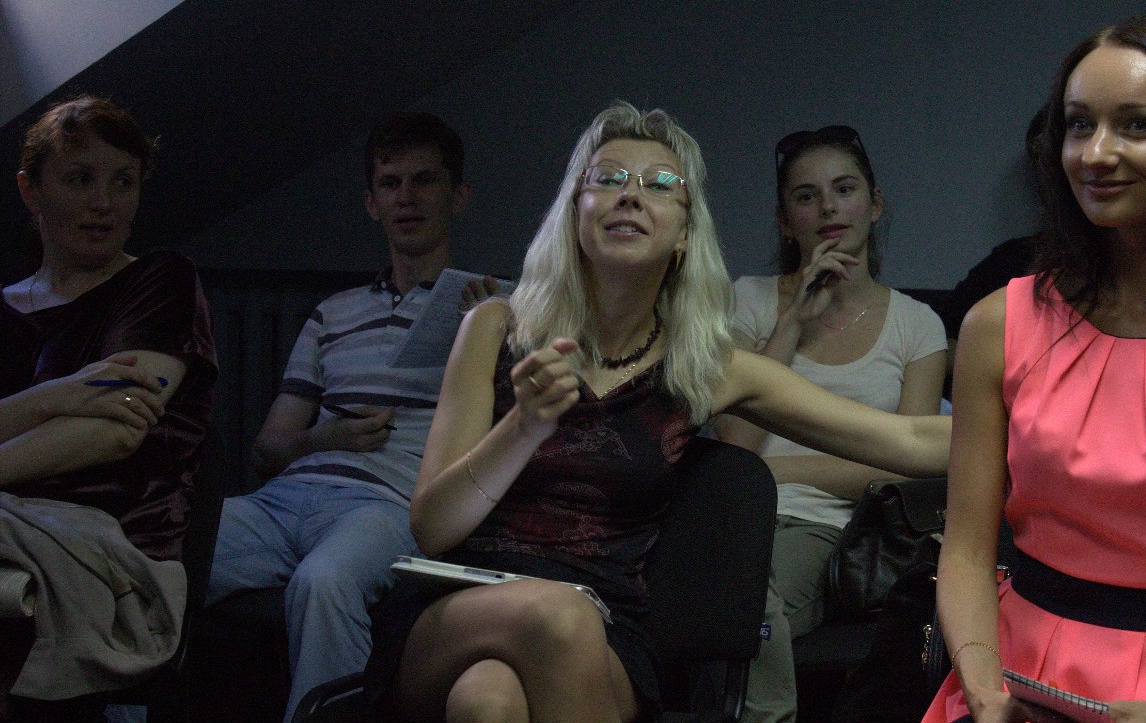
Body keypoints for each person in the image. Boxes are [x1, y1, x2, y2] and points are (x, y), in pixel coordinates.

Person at [363, 102, 950, 722]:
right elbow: (432, 527)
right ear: (575, 212)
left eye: (660, 185)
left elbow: (909, 438)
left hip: (607, 624)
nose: (631, 195)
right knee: (554, 617)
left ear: (685, 234)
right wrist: (524, 426)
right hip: (460, 606)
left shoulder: (702, 366)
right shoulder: (495, 328)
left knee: (489, 699)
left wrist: (1025, 417)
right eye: (609, 178)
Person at [927, 14, 1146, 722]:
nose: (1095, 153)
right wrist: (984, 691)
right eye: (1079, 125)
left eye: (1137, 126)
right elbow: (965, 553)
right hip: (1016, 677)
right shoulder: (999, 323)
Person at [205, 111, 486, 722]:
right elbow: (267, 450)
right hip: (285, 499)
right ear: (371, 203)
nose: (406, 198)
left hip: (387, 506)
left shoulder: (490, 306)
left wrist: (493, 335)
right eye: (390, 184)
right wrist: (325, 437)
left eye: (424, 181)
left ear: (458, 196)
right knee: (161, 547)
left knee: (325, 581)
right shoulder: (333, 312)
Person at [714, 124, 946, 723]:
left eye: (844, 190)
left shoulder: (917, 325)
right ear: (785, 221)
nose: (828, 208)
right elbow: (735, 442)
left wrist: (773, 471)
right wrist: (793, 320)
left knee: (747, 602)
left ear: (874, 204)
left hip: (820, 526)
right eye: (806, 196)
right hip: (729, 514)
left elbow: (905, 470)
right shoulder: (748, 300)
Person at [0, 96, 217, 716]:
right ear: (30, 191)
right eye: (80, 179)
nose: (105, 202)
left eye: (124, 182)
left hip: (113, 548)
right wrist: (54, 397)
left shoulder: (159, 281)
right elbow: (83, 414)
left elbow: (112, 432)